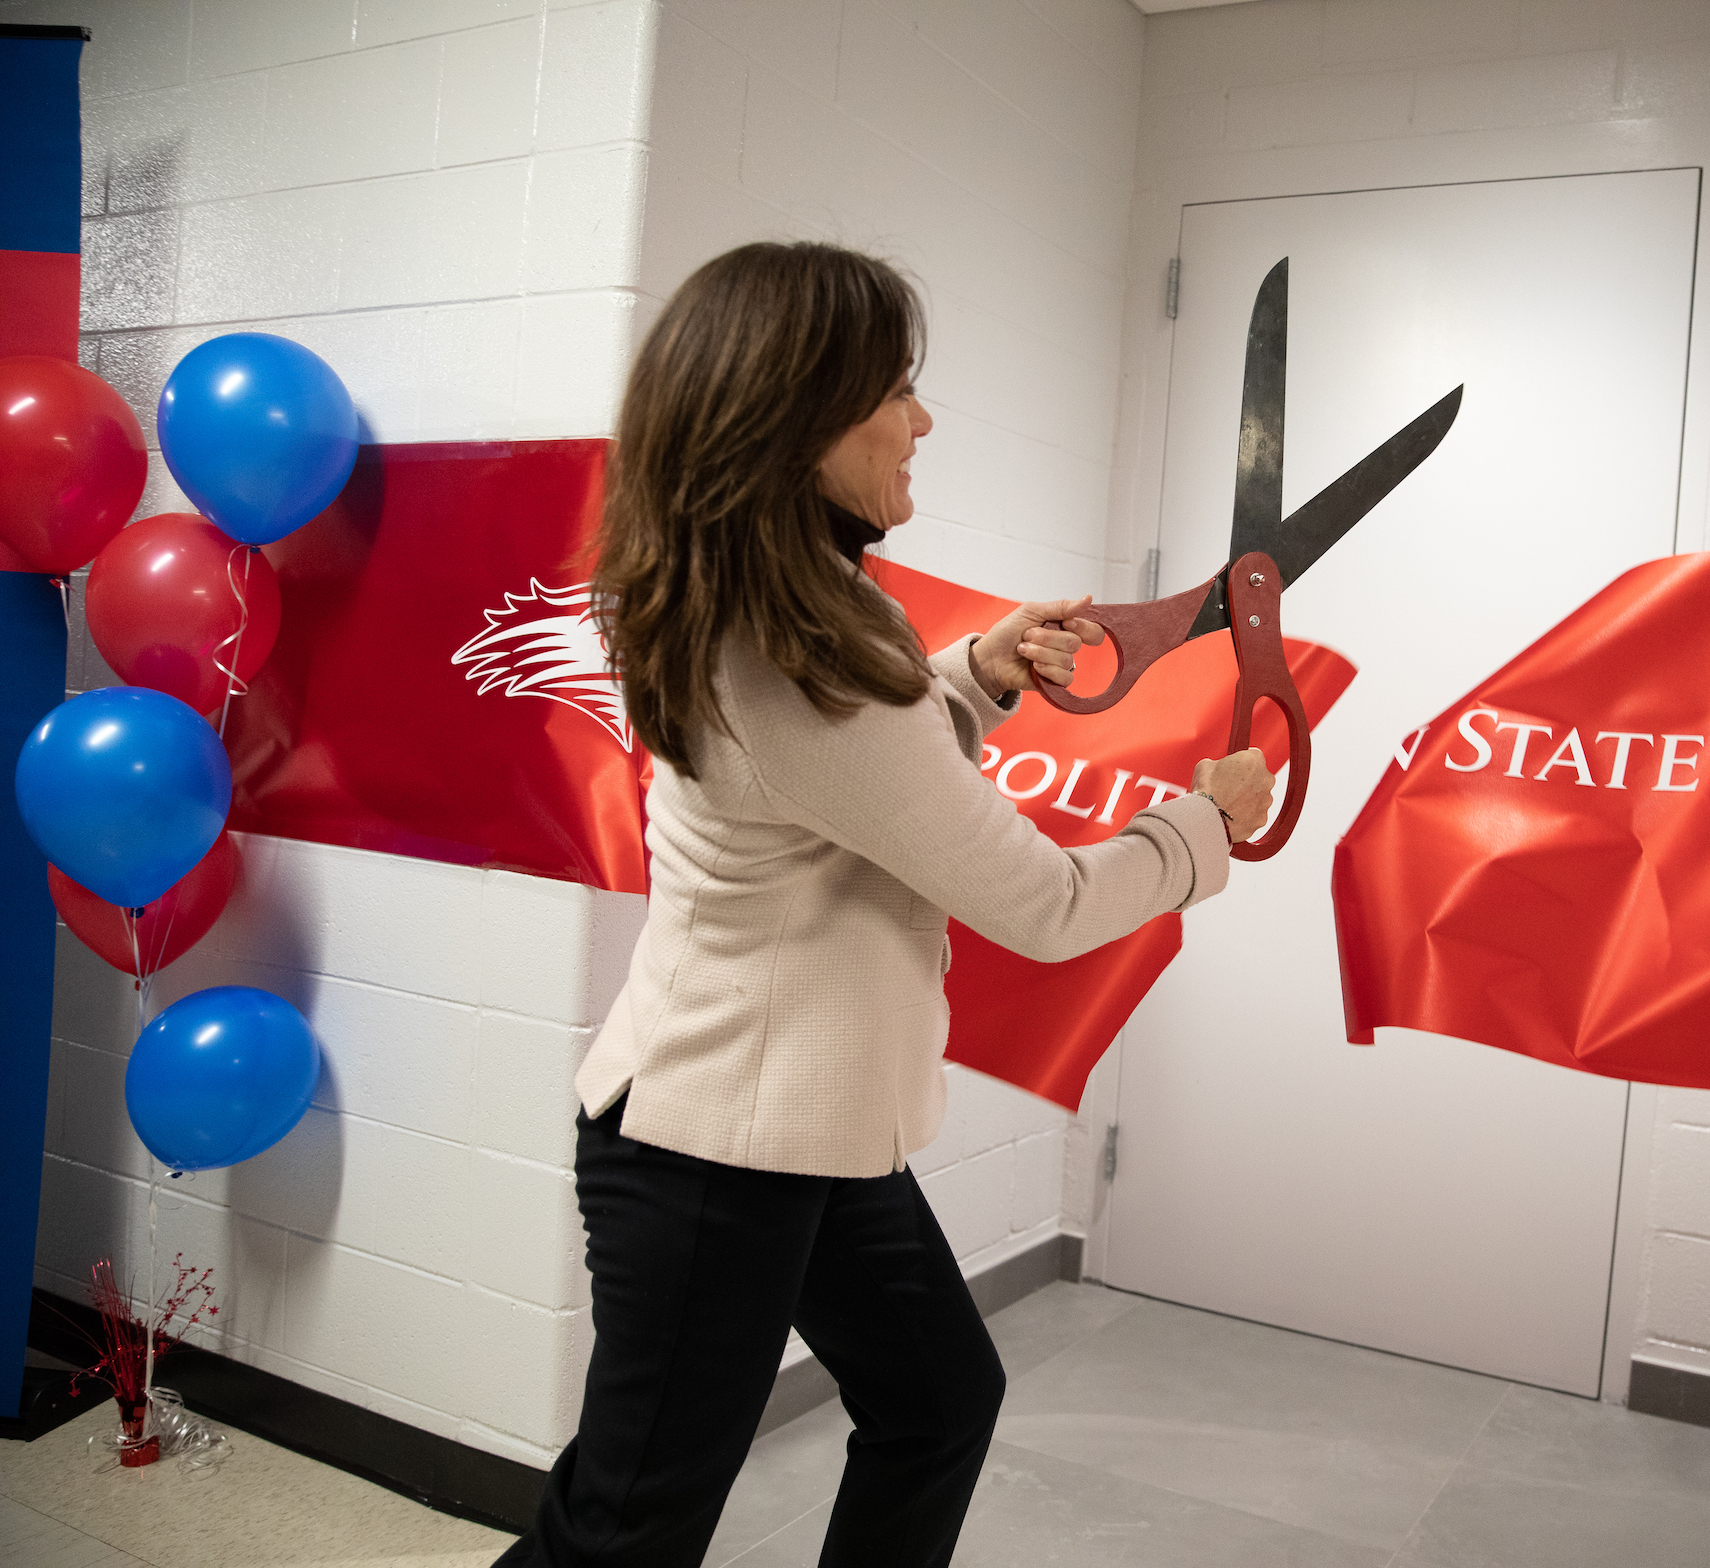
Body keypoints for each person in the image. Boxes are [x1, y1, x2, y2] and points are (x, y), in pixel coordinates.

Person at [492, 241, 1274, 1568]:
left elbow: (855, 778)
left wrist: (980, 665)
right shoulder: (793, 658)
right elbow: (1045, 900)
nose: (922, 422)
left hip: (799, 1135)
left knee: (935, 1403)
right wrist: (1209, 826)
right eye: (894, 390)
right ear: (792, 415)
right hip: (712, 1161)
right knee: (626, 1529)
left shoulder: (786, 604)